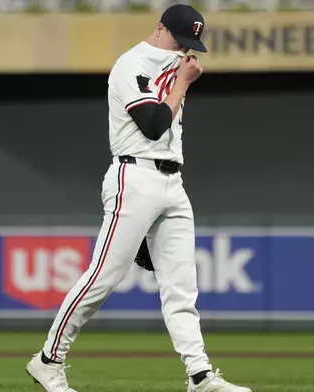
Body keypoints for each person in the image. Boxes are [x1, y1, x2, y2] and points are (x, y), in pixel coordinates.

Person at [25, 4, 252, 392]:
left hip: (172, 182)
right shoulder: (132, 64)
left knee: (182, 287)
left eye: (189, 43)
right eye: (179, 40)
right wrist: (182, 83)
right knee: (102, 278)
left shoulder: (173, 65)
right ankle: (48, 359)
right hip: (135, 175)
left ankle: (199, 376)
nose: (184, 49)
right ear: (160, 29)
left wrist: (179, 77)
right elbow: (152, 125)